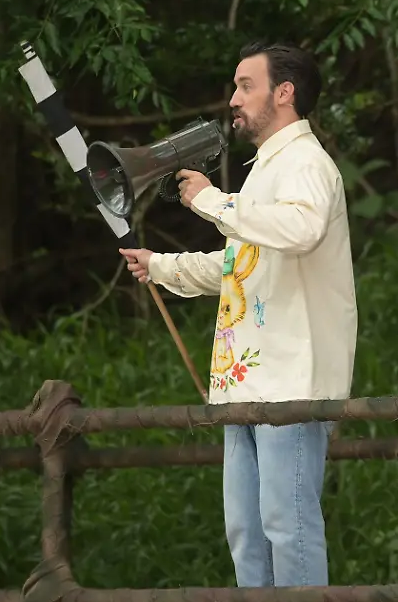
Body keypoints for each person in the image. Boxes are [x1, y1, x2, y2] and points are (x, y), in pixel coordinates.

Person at [119, 41, 357, 588]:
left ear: (284, 92)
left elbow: (298, 231)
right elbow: (242, 266)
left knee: (287, 527)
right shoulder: (266, 169)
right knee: (246, 534)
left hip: (291, 380)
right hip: (245, 381)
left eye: (245, 85)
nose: (234, 99)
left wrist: (210, 200)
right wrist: (160, 266)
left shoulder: (307, 162)